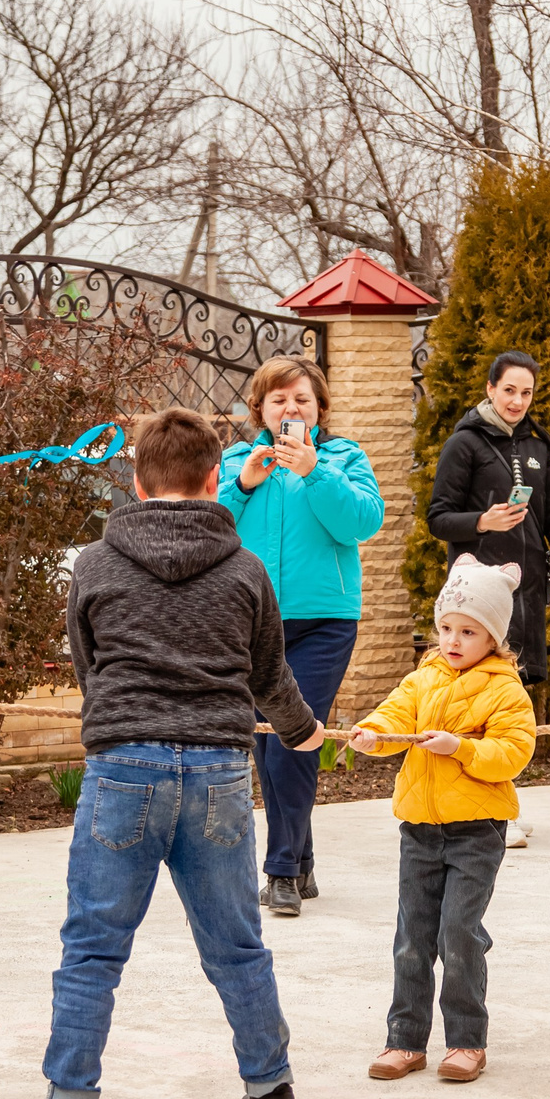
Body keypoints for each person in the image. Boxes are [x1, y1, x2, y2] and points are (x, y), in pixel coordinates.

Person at [1, 407, 327, 1099]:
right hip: (217, 770)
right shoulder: (245, 568)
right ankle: (271, 1091)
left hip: (123, 769)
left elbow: (89, 669)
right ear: (216, 479)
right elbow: (268, 674)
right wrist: (302, 730)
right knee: (236, 944)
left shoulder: (95, 564)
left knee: (92, 951)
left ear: (136, 480)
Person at [348, 558, 538, 1084]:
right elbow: (393, 715)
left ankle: (466, 1042)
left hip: (476, 830)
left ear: (494, 637)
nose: (453, 640)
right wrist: (372, 732)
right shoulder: (422, 678)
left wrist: (462, 748)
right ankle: (404, 1041)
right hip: (419, 830)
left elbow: (513, 753)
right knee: (412, 935)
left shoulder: (505, 690)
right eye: (446, 627)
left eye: (469, 631)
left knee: (458, 933)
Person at [217, 354, 386, 918]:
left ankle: (282, 870)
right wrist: (243, 484)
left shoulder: (343, 458)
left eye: (302, 400)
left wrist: (314, 471)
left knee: (296, 732)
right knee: (267, 741)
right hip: (254, 619)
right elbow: (209, 526)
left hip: (325, 620)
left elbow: (362, 522)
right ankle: (303, 859)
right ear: (261, 409)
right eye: (279, 400)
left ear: (320, 408)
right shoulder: (241, 459)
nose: (291, 408)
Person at [424, 349, 550, 847]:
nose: (518, 400)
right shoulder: (465, 443)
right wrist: (482, 522)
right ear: (490, 389)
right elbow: (438, 517)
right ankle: (493, 811)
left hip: (526, 591)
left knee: (511, 698)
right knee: (484, 694)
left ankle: (499, 804)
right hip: (478, 592)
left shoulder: (539, 446)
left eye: (527, 392)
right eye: (509, 390)